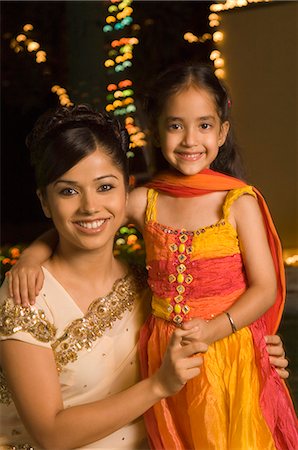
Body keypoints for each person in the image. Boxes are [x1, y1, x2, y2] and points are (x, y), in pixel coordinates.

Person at [6, 65, 295, 448]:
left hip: (221, 351)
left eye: (204, 125)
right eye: (176, 126)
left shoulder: (234, 203)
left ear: (222, 131)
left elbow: (265, 287)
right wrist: (29, 258)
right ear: (157, 132)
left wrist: (250, 338)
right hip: (170, 359)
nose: (91, 206)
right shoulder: (147, 202)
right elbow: (79, 224)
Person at [0, 105, 208, 450]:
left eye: (104, 187)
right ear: (45, 202)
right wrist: (158, 385)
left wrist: (252, 345)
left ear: (127, 191)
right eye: (68, 191)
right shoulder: (28, 295)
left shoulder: (149, 285)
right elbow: (50, 434)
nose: (89, 206)